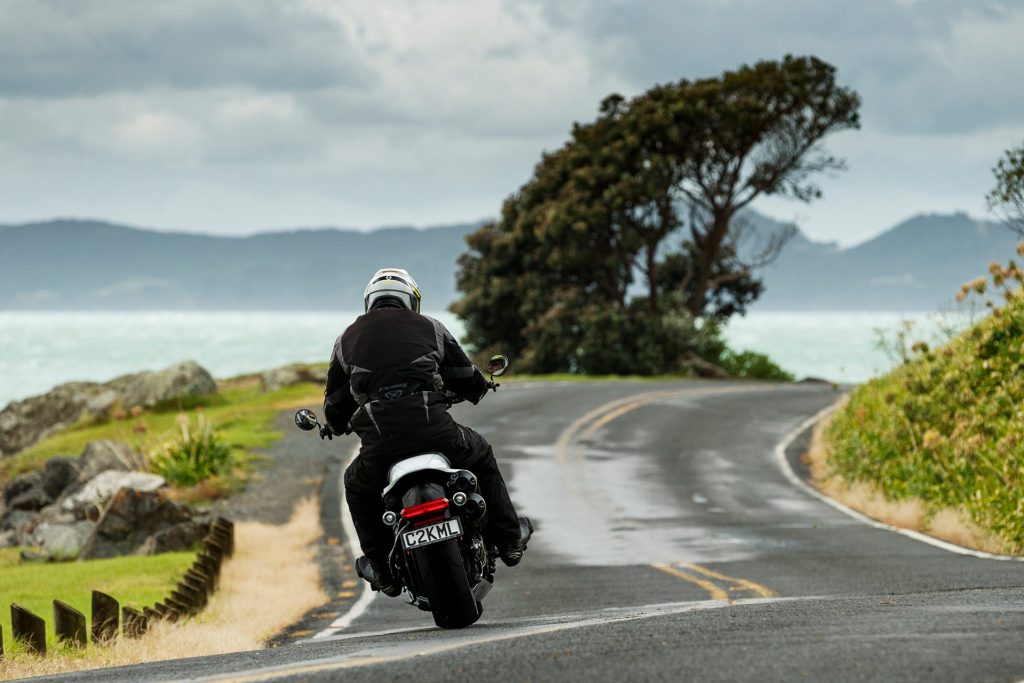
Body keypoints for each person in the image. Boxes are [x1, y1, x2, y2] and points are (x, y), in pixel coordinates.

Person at [321, 267, 530, 596]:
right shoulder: (430, 327)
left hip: (381, 446)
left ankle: (382, 570)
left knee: (356, 485)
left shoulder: (345, 340)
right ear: (411, 301)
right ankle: (509, 540)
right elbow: (465, 375)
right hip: (437, 434)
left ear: (369, 302)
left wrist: (335, 424)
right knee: (481, 452)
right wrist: (479, 387)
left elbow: (335, 406)